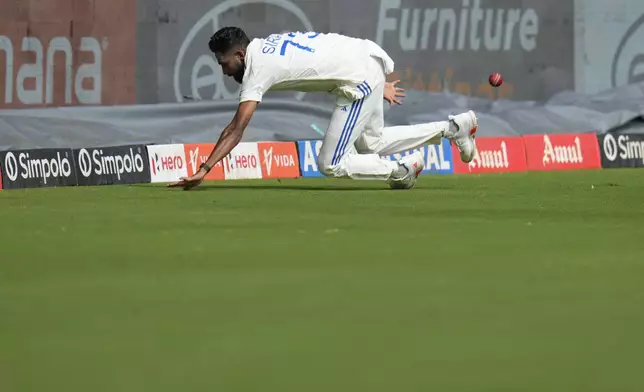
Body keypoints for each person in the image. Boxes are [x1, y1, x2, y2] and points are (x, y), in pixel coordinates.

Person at [169, 27, 478, 190]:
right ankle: (455, 127)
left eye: (224, 63)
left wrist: (204, 170)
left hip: (358, 78)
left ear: (239, 53)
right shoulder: (267, 43)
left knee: (330, 163)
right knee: (372, 143)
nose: (224, 70)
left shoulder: (256, 67)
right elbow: (319, 51)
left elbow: (237, 127)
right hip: (364, 60)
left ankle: (400, 171)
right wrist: (376, 80)